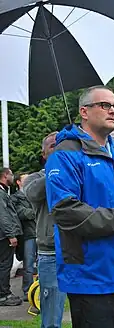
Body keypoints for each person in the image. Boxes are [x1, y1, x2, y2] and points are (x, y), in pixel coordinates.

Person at [45, 85, 114, 328]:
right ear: (84, 111)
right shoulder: (65, 155)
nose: (112, 110)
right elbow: (66, 212)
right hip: (91, 278)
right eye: (104, 105)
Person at [23, 133, 66, 328]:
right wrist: (55, 169)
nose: (57, 148)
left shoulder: (74, 172)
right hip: (51, 253)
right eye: (52, 146)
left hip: (79, 250)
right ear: (43, 154)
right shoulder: (36, 177)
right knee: (51, 317)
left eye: (61, 144)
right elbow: (32, 193)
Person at [11, 173, 37, 301]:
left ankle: (39, 290)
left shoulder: (35, 193)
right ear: (18, 182)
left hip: (38, 232)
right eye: (25, 179)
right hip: (28, 234)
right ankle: (28, 291)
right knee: (29, 264)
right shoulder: (16, 198)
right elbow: (23, 213)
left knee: (42, 263)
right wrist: (38, 211)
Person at [0, 167, 23, 306]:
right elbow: (3, 216)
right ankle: (4, 295)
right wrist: (11, 235)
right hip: (4, 237)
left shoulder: (3, 193)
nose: (13, 177)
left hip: (4, 235)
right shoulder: (1, 194)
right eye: (11, 174)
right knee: (4, 265)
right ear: (5, 176)